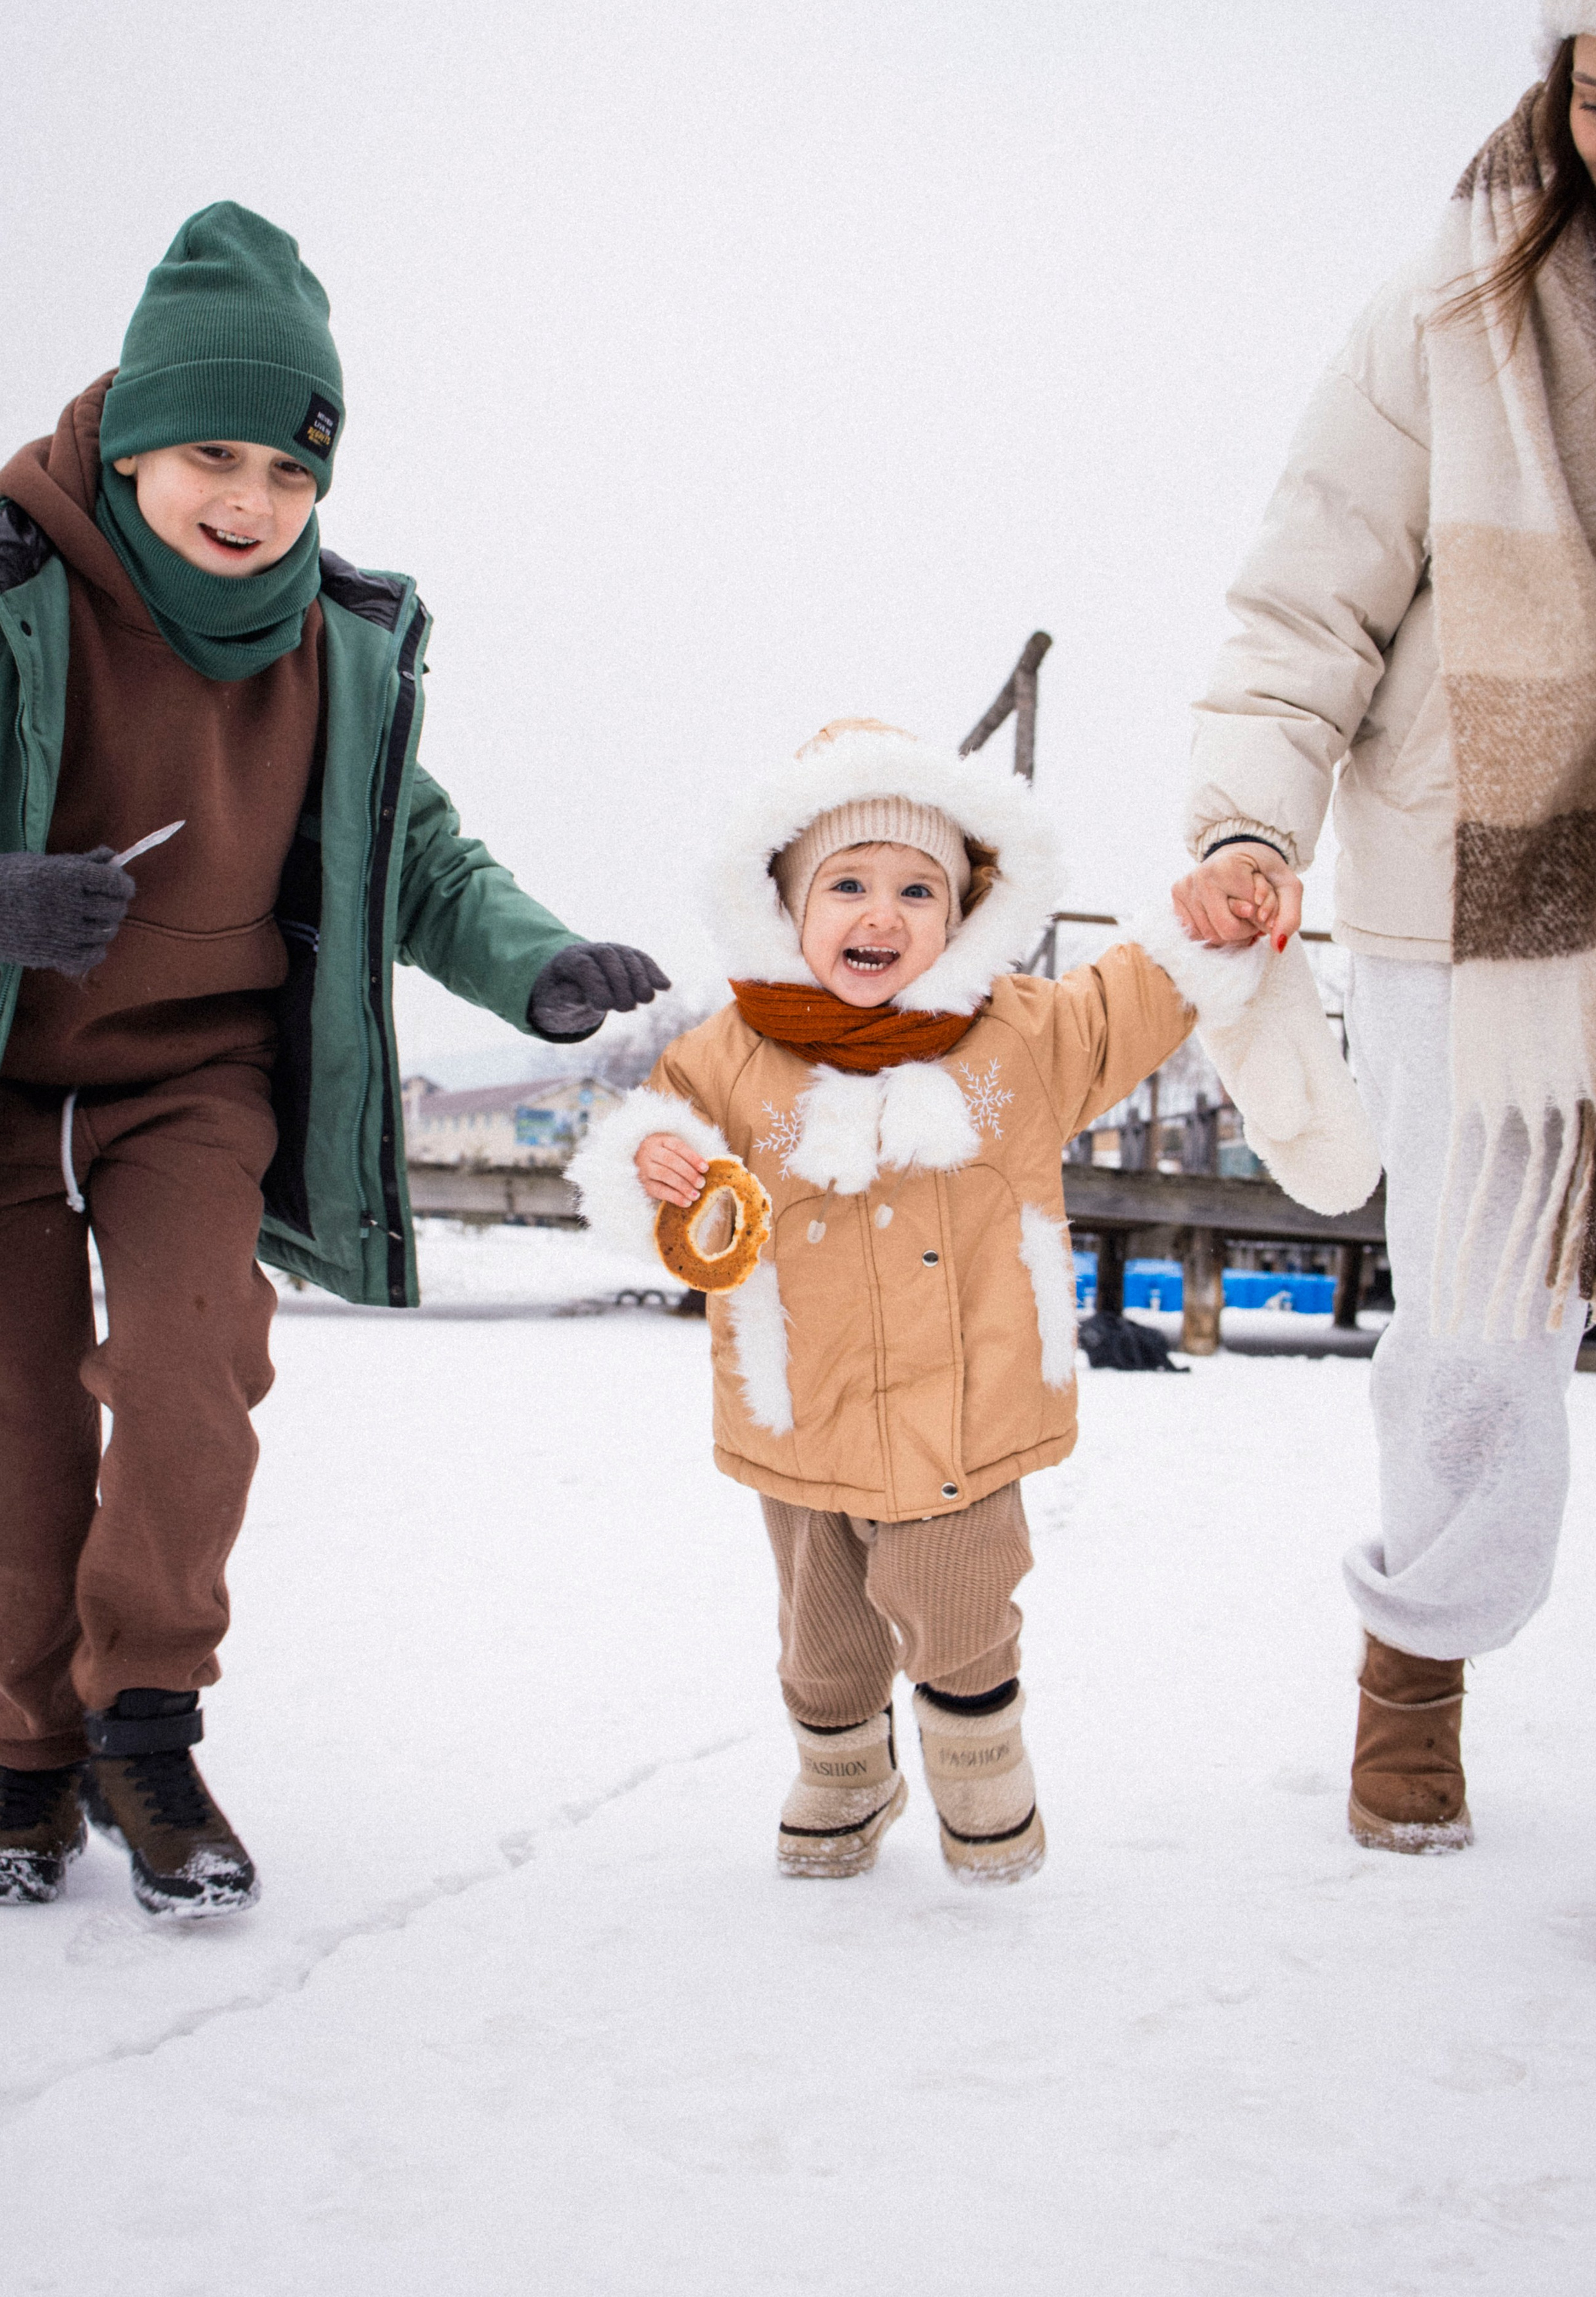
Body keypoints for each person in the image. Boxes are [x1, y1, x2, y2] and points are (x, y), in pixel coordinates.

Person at [0, 202, 668, 1918]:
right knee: (10, 1424)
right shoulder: (11, 582)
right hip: (4, 1072)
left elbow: (422, 861)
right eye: (213, 454)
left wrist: (540, 968)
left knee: (189, 1367)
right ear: (137, 437)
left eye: (291, 475)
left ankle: (144, 1726)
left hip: (196, 1081)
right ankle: (18, 1759)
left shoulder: (330, 647)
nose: (250, 502)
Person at [1173, 0, 1596, 1918]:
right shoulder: (1441, 308)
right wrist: (1240, 824)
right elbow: (1308, 597)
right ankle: (1421, 1658)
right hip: (1480, 903)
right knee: (1471, 1332)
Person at [573, 718, 1370, 1882]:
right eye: (846, 883)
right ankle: (844, 1768)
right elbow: (663, 1164)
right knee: (824, 1635)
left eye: (918, 889)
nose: (880, 914)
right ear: (785, 903)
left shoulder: (1019, 1041)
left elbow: (1135, 995)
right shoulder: (727, 1055)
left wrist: (1211, 913)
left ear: (966, 916)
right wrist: (653, 1167)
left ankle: (978, 1755)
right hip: (801, 1409)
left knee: (961, 1604)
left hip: (967, 1414)